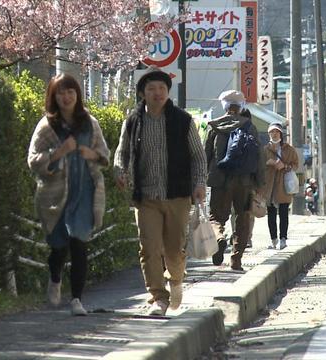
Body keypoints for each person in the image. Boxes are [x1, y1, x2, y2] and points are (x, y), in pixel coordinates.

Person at [113, 69, 206, 316]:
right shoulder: (133, 120)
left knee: (174, 250)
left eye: (162, 89)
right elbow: (122, 151)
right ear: (143, 93)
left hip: (177, 195)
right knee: (149, 248)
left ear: (167, 92)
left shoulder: (182, 120)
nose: (157, 93)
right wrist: (120, 171)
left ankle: (176, 278)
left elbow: (198, 156)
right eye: (152, 89)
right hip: (146, 197)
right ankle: (158, 298)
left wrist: (199, 183)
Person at [27, 74, 110, 316]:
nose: (66, 97)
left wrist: (91, 154)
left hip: (85, 191)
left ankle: (76, 299)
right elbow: (33, 160)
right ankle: (55, 278)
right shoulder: (46, 126)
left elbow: (103, 153)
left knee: (79, 242)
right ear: (53, 97)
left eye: (70, 91)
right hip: (55, 195)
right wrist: (58, 152)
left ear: (78, 94)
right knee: (59, 246)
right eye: (60, 93)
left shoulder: (89, 123)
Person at [205, 90, 265, 271]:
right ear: (240, 107)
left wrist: (200, 179)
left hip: (219, 180)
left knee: (216, 217)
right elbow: (259, 156)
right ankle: (236, 260)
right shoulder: (249, 126)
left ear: (224, 106)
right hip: (244, 181)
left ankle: (219, 238)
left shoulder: (214, 126)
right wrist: (260, 183)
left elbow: (205, 155)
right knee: (242, 218)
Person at [260, 123, 299, 250]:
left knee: (283, 212)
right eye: (272, 132)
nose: (274, 134)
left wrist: (285, 166)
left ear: (281, 134)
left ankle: (283, 238)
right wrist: (268, 163)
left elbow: (296, 164)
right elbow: (259, 165)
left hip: (284, 184)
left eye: (276, 132)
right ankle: (273, 240)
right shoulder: (265, 150)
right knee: (270, 213)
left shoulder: (289, 149)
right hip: (269, 185)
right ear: (269, 134)